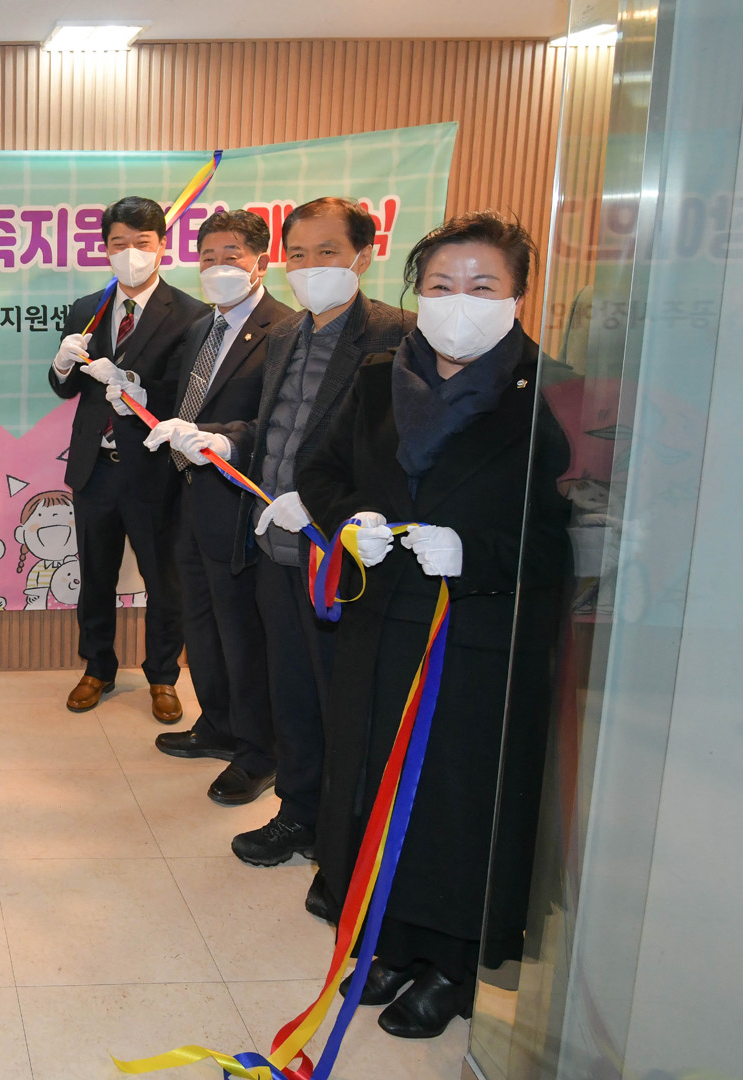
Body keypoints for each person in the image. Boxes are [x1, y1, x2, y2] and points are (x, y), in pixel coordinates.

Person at [299, 212, 571, 1038]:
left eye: (483, 286)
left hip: (479, 634)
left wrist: (476, 554)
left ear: (518, 297)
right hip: (383, 620)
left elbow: (569, 534)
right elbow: (320, 470)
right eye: (443, 285)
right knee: (375, 783)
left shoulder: (550, 392)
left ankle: (450, 964)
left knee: (454, 797)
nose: (460, 303)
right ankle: (387, 939)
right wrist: (350, 522)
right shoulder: (381, 375)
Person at [232, 198, 415, 909]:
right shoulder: (284, 334)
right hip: (276, 547)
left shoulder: (397, 337)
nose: (310, 268)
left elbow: (399, 455)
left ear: (364, 257)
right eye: (298, 255)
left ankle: (346, 845)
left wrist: (324, 502)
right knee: (293, 694)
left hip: (341, 555)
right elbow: (275, 428)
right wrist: (226, 440)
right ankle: (298, 813)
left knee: (347, 703)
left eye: (328, 252)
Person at [139, 210, 296, 805]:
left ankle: (258, 751)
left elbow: (277, 422)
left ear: (261, 262)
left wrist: (219, 440)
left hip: (240, 503)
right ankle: (218, 724)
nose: (217, 267)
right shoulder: (204, 325)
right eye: (208, 257)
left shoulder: (283, 329)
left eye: (232, 256)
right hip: (190, 497)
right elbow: (189, 398)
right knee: (201, 623)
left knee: (240, 631)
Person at [50, 196, 208, 722]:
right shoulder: (87, 308)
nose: (131, 253)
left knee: (165, 580)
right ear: (105, 249)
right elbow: (66, 388)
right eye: (119, 243)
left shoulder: (191, 314)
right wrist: (61, 366)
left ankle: (162, 676)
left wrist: (135, 385)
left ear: (162, 246)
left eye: (142, 243)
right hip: (94, 468)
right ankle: (97, 668)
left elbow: (190, 394)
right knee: (95, 576)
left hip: (154, 469)